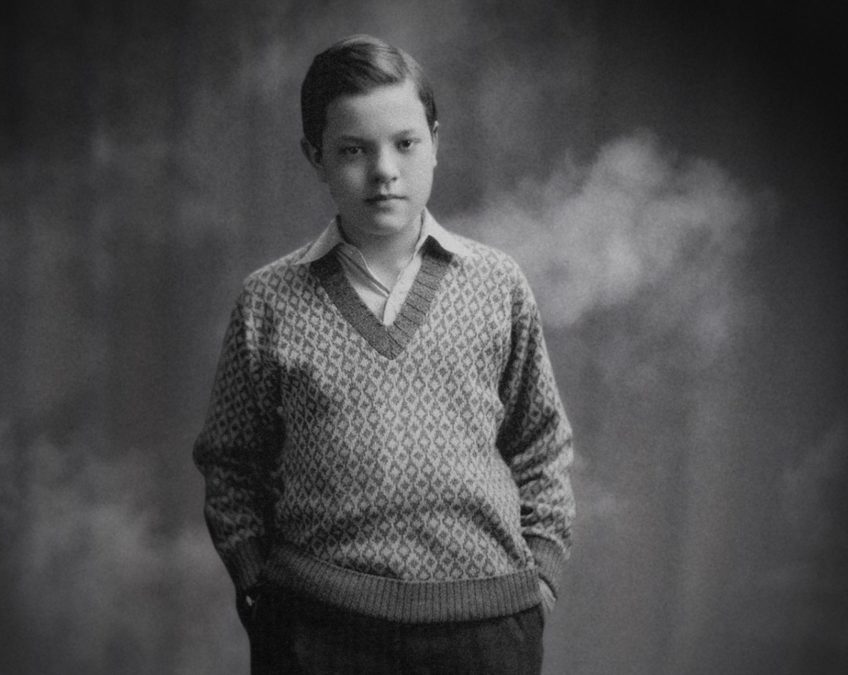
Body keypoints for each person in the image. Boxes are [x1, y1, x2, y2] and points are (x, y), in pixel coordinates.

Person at [194, 34, 575, 674]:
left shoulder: (497, 284)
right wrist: (259, 583)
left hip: (485, 629)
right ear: (315, 158)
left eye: (405, 143)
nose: (384, 171)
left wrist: (540, 579)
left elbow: (540, 441)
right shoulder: (269, 300)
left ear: (435, 143)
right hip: (317, 628)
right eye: (353, 150)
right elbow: (231, 460)